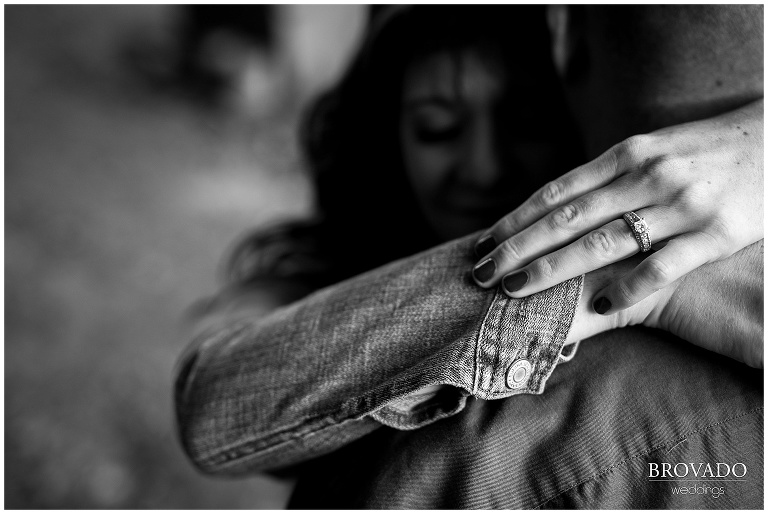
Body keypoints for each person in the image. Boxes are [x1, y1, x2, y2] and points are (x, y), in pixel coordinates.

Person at [175, 5, 763, 508]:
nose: (484, 167)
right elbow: (216, 405)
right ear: (386, 137)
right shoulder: (319, 259)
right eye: (438, 129)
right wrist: (621, 271)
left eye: (525, 123)